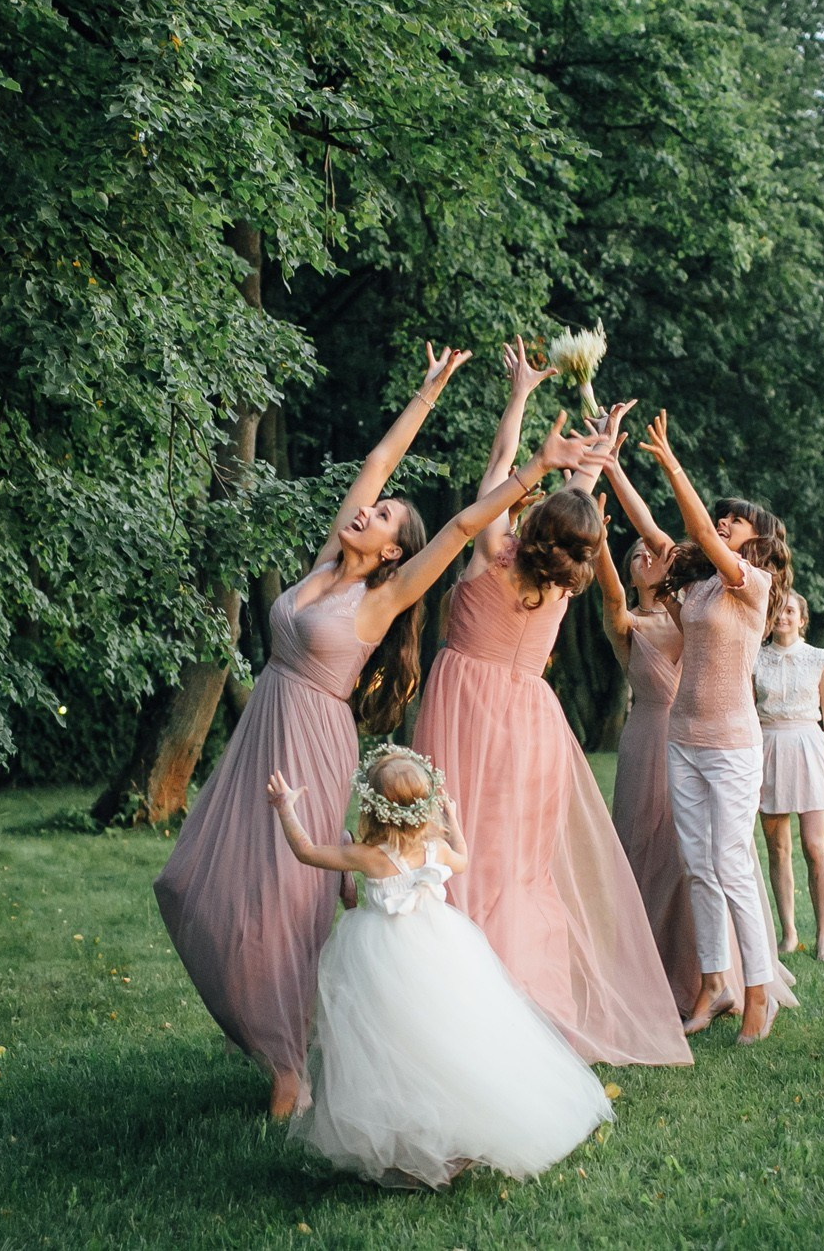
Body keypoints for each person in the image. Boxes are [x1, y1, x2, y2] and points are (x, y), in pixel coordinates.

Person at [155, 341, 604, 1117]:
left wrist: (535, 468)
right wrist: (427, 393)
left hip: (313, 738)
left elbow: (460, 527)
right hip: (263, 726)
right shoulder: (328, 558)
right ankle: (265, 1019)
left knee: (286, 896)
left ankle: (289, 1062)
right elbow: (377, 459)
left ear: (394, 549)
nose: (370, 509)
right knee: (194, 883)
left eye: (387, 514)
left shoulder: (384, 597)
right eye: (377, 505)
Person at [412, 352, 689, 1067]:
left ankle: (460, 1009)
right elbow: (578, 497)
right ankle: (533, 1005)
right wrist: (598, 444)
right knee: (520, 867)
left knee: (462, 857)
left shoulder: (491, 552)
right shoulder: (565, 581)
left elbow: (502, 462)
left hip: (466, 712)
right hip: (533, 726)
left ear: (532, 523)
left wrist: (519, 395)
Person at [270, 747, 613, 1190]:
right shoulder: (437, 850)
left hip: (382, 957)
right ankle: (452, 1135)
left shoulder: (369, 856)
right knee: (449, 1032)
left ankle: (408, 1143)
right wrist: (452, 822)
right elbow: (464, 859)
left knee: (391, 1045)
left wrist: (285, 807)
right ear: (426, 808)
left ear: (373, 809)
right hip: (441, 946)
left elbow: (306, 851)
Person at [630, 411, 798, 1043]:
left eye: (735, 519)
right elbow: (655, 535)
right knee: (697, 866)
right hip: (682, 740)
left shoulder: (753, 584)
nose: (722, 522)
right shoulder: (700, 586)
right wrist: (615, 465)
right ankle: (713, 984)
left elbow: (697, 527)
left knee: (730, 865)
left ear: (759, 537)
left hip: (732, 745)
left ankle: (758, 992)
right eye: (721, 516)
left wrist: (672, 462)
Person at [594, 462, 741, 1018]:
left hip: (696, 736)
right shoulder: (627, 625)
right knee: (642, 849)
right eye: (633, 555)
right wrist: (599, 543)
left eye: (649, 552)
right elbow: (611, 597)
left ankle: (706, 973)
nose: (643, 556)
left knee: (692, 854)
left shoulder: (695, 614)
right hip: (645, 741)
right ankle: (642, 974)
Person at [754, 591, 824, 962]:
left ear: (802, 619)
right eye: (777, 610)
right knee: (777, 847)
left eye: (790, 610)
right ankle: (789, 932)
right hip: (768, 748)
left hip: (810, 748)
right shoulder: (755, 658)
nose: (783, 616)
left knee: (814, 845)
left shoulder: (819, 659)